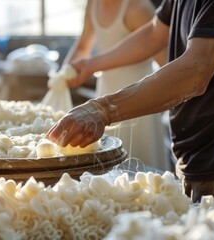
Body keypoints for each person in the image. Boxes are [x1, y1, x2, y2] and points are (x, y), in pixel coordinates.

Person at [47, 0, 214, 205]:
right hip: (192, 151)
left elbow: (195, 71)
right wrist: (91, 64)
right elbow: (153, 34)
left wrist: (103, 109)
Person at [63, 0, 169, 170]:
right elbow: (83, 46)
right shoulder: (93, 4)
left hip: (138, 102)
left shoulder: (137, 7)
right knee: (107, 170)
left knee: (142, 168)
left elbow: (166, 61)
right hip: (103, 97)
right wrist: (64, 74)